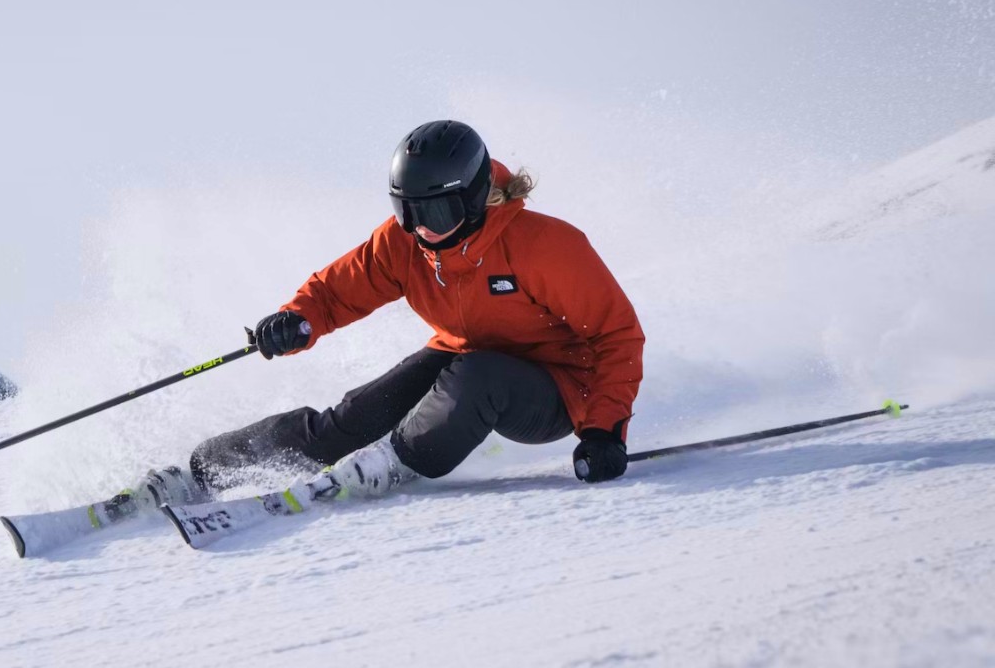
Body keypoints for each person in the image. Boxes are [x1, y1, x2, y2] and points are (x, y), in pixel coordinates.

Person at [129, 120, 644, 512]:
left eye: (433, 214)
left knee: (479, 375)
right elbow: (336, 291)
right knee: (349, 420)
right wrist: (297, 320)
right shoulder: (408, 245)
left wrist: (603, 432)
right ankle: (203, 472)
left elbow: (617, 335)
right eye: (407, 212)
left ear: (470, 200)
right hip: (461, 358)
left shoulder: (546, 247)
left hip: (555, 389)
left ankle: (388, 464)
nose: (419, 230)